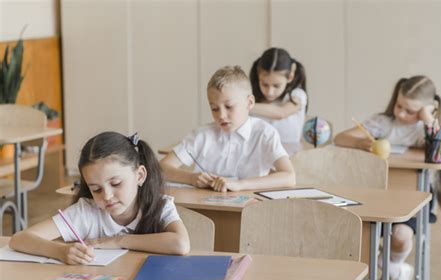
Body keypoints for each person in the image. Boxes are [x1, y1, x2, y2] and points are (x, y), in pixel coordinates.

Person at [334, 75, 441, 280]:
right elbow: (340, 138)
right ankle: (394, 274)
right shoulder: (383, 123)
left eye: (411, 111)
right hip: (376, 194)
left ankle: (394, 270)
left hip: (413, 198)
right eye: (399, 106)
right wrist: (360, 144)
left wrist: (428, 117)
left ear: (428, 109)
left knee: (400, 237)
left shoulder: (425, 130)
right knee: (356, 236)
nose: (401, 114)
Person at [10, 132, 190, 265]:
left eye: (116, 183)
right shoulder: (86, 212)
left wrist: (118, 241)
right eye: (96, 189)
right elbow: (20, 239)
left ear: (140, 175)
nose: (107, 196)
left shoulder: (161, 205)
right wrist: (61, 251)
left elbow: (180, 244)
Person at [160, 65, 295, 192]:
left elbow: (289, 177)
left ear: (250, 103)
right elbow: (161, 168)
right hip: (206, 208)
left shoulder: (264, 133)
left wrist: (239, 185)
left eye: (229, 107)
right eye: (214, 109)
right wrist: (191, 178)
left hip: (250, 209)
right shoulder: (202, 135)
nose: (221, 115)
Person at [249, 47, 308, 155]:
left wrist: (243, 105)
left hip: (290, 156)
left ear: (290, 77)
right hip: (259, 155)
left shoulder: (297, 96)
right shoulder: (254, 97)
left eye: (276, 85)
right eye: (264, 84)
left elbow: (281, 113)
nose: (270, 92)